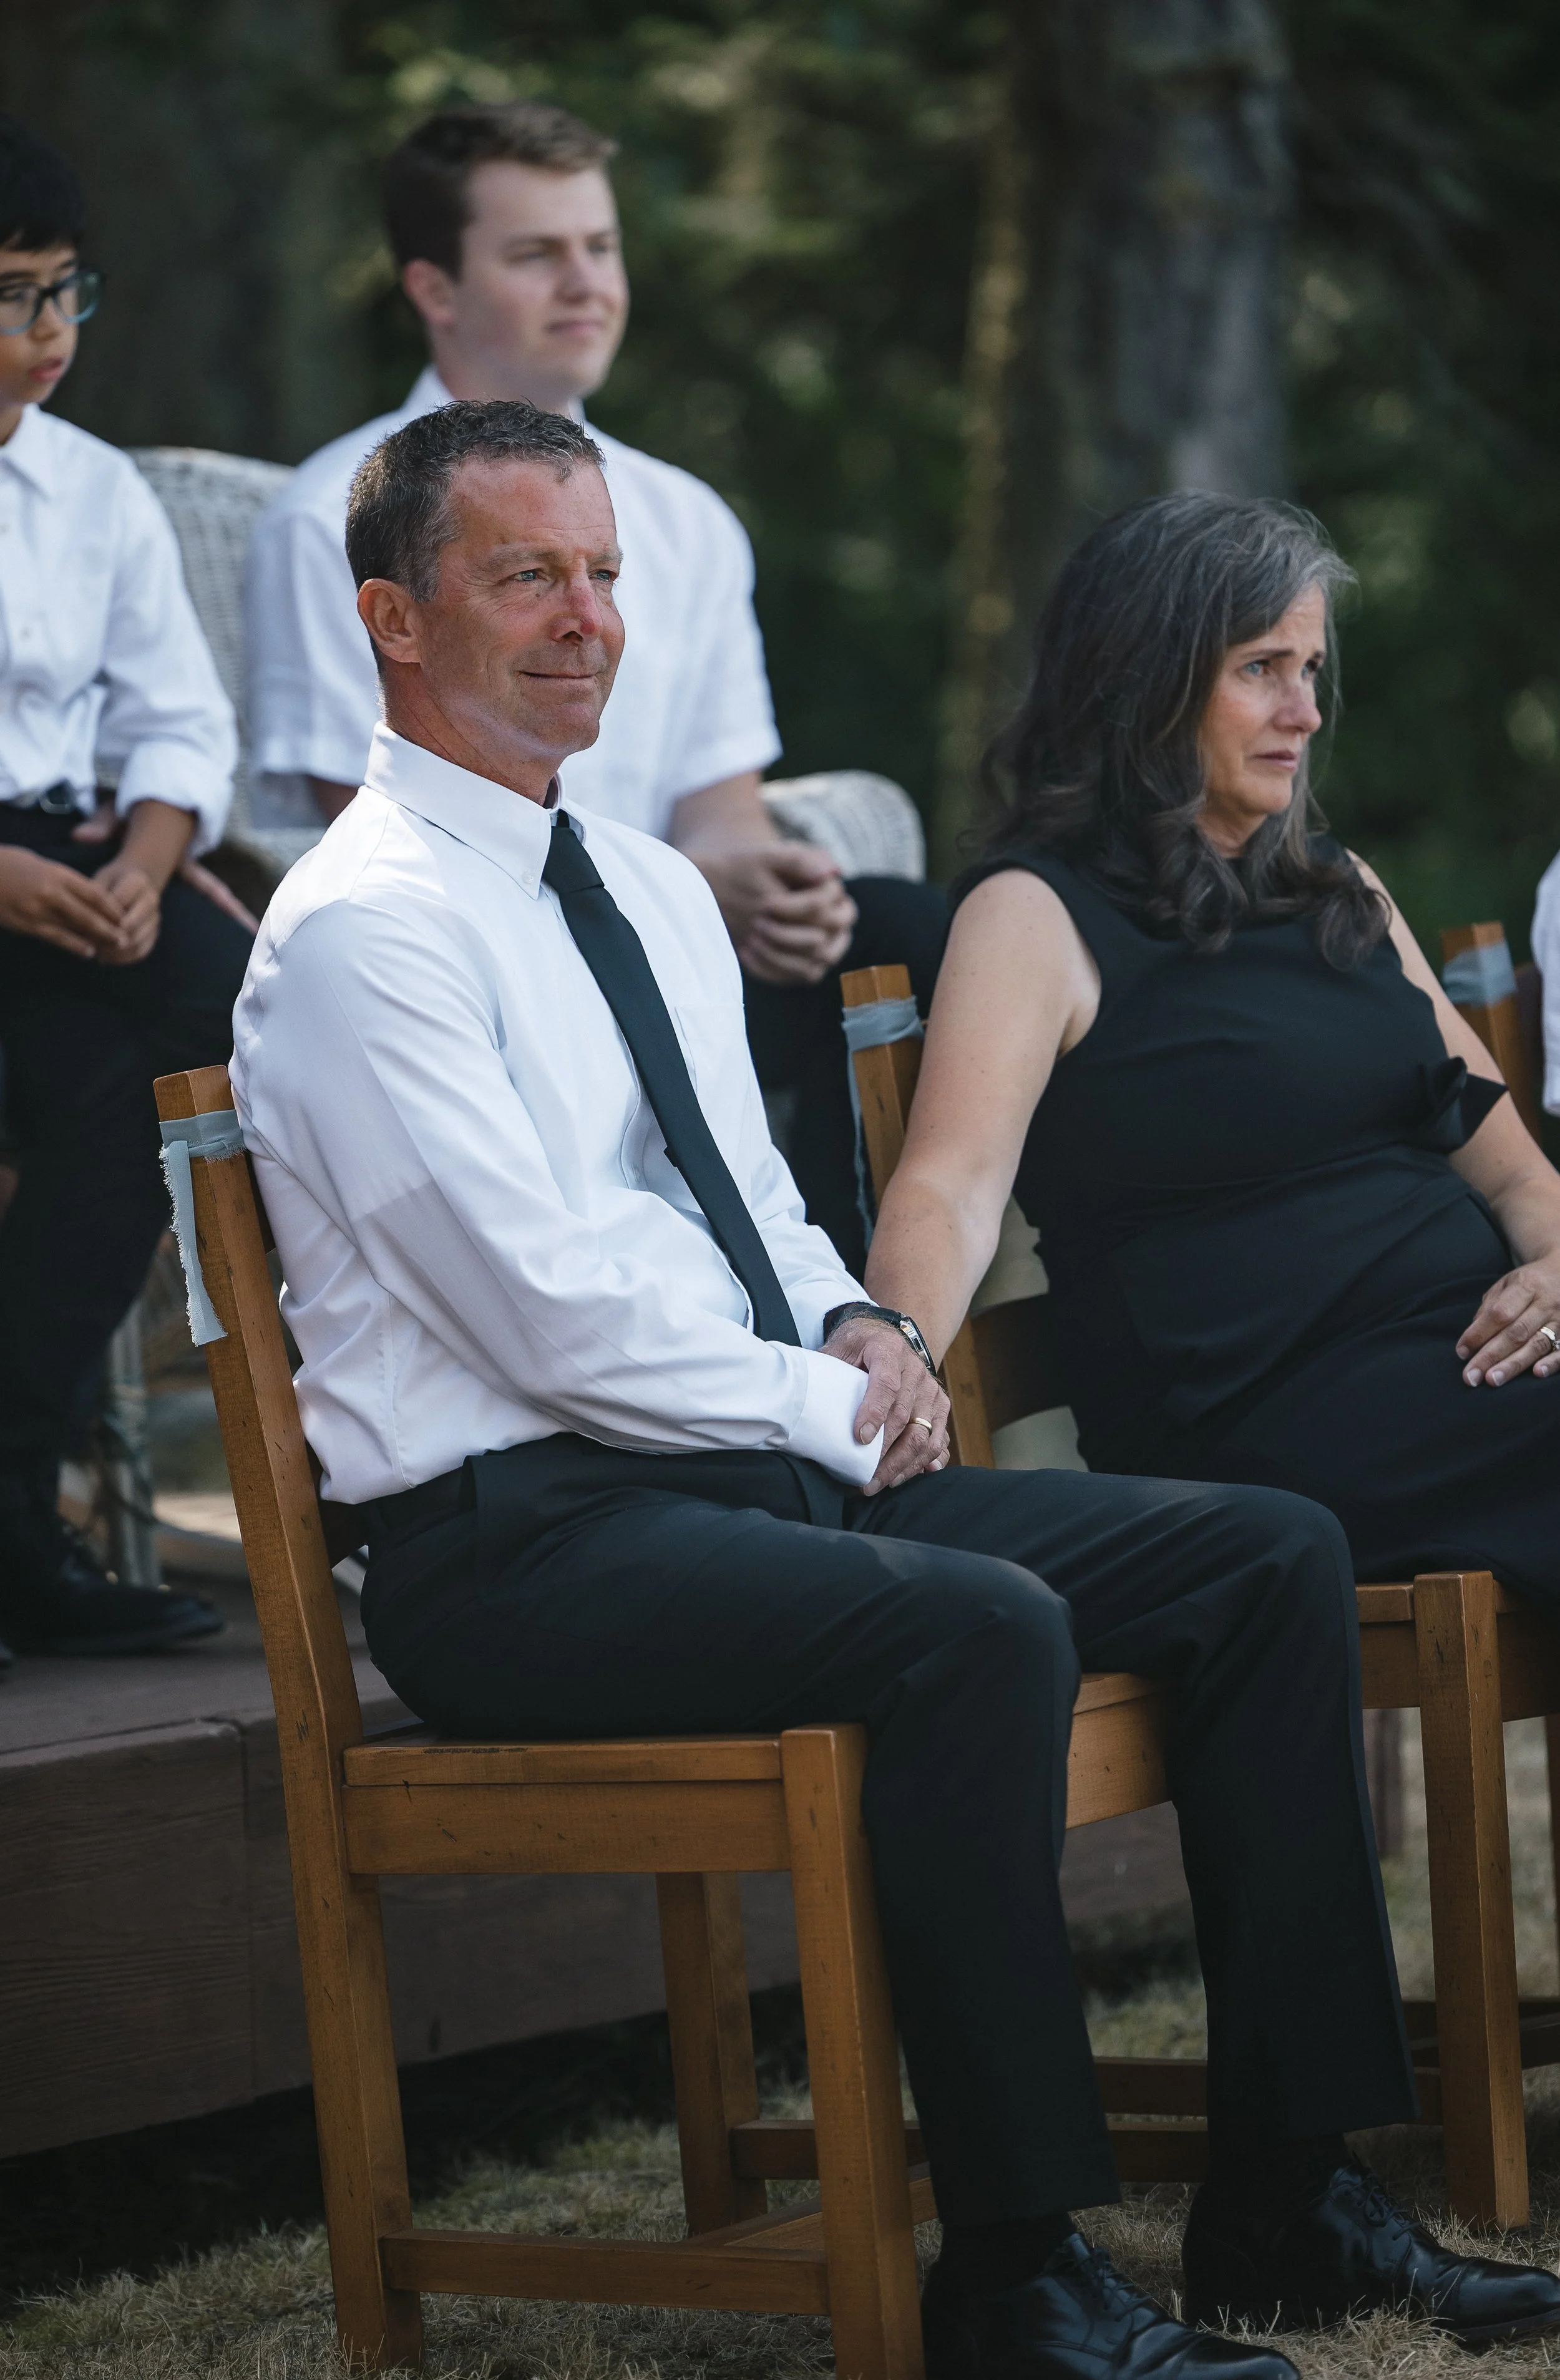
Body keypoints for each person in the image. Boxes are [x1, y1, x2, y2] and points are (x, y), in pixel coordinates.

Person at [231, 402, 1560, 2371]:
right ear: (393, 619)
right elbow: (541, 1308)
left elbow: (754, 1192)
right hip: (517, 1538)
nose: (587, 618)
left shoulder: (647, 887)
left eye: (603, 574)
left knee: (1263, 1558)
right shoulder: (362, 934)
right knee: (971, 1623)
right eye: (527, 576)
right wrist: (828, 1403)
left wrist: (856, 1335)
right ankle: (1018, 2269)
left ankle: (1287, 2194)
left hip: (724, 1475)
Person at [245, 98, 947, 1268]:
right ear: (434, 288)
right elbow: (363, 823)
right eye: (536, 253)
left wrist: (758, 881)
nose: (586, 282)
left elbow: (720, 807)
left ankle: (870, 1320)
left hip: (672, 934)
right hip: (475, 961)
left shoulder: (691, 519)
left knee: (907, 932)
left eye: (601, 246)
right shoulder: (334, 517)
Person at [863, 492, 1560, 1626]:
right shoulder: (1035, 913)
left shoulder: (1341, 890)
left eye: (1314, 669)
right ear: (1145, 680)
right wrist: (895, 1356)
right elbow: (950, 1183)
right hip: (1272, 1420)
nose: (1307, 710)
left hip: (1475, 1371)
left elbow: (1518, 1171)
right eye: (1263, 669)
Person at [0, 117, 253, 1668]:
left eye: (60, 295)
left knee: (267, 1024)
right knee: (98, 1100)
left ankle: (386, 1467)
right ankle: (23, 1525)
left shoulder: (94, 491)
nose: (41, 340)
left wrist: (149, 866)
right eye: (6, 296)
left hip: (91, 858)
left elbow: (177, 719)